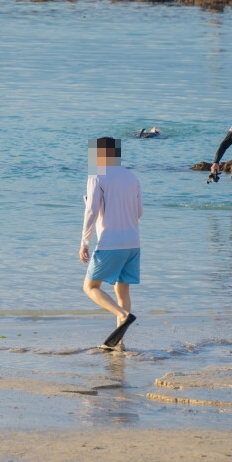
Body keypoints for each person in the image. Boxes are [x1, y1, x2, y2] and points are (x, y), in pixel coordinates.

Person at [80, 137, 142, 349]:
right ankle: (119, 343)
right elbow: (139, 212)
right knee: (122, 292)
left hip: (110, 242)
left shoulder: (97, 176)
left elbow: (91, 212)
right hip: (133, 243)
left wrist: (84, 242)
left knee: (90, 287)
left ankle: (122, 314)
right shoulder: (132, 177)